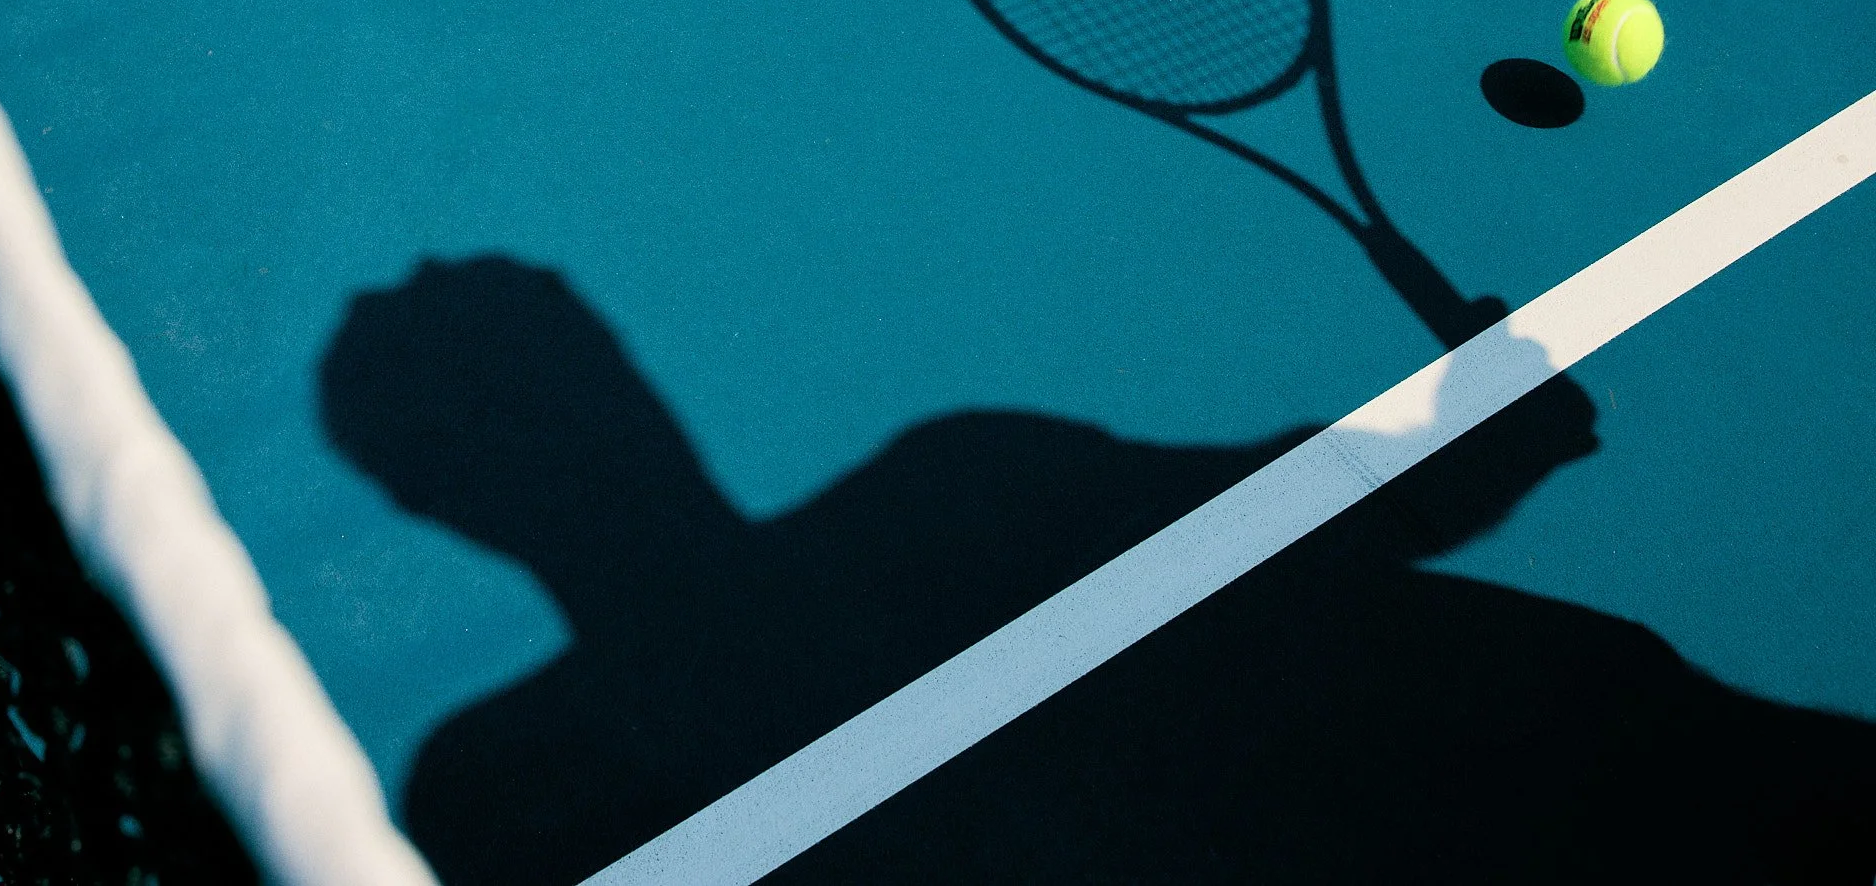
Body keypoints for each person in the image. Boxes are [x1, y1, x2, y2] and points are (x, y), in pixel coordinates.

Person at [320, 255, 1876, 884]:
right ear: (446, 490)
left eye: (559, 364)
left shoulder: (962, 485)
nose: (573, 416)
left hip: (1666, 783)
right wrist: (1475, 428)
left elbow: (1366, 496)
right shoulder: (516, 786)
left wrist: (1476, 416)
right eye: (511, 398)